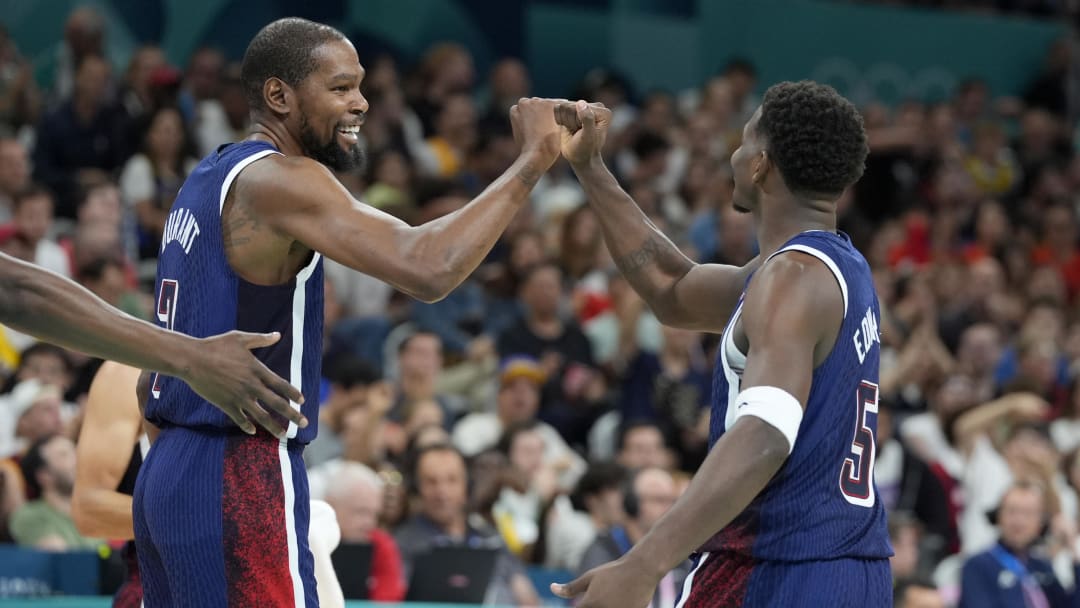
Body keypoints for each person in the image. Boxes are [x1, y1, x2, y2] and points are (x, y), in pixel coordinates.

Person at [134, 17, 562, 607]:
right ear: (279, 96)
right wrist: (533, 161)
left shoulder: (205, 179)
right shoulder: (284, 180)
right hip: (237, 468)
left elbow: (147, 381)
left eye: (359, 85)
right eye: (339, 88)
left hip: (169, 471)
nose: (361, 102)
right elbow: (427, 267)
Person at [551, 81, 892, 607]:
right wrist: (592, 169)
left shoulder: (793, 279)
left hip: (777, 569)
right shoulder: (835, 267)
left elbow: (765, 433)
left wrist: (643, 564)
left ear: (760, 165)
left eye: (743, 142)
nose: (733, 154)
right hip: (851, 570)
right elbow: (674, 292)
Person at [71, 361, 346, 608]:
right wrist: (216, 521)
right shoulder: (127, 373)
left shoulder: (279, 369)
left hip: (265, 567)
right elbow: (90, 509)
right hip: (165, 578)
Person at [0, 251, 304, 433]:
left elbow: (18, 292)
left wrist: (191, 358)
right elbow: (17, 293)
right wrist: (194, 358)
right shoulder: (119, 380)